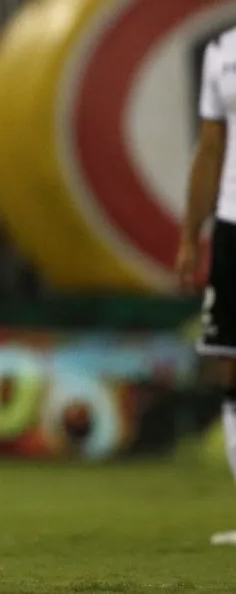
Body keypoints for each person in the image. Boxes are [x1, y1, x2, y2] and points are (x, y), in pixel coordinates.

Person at [177, 29, 236, 546]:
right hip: (233, 225)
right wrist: (191, 235)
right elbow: (211, 146)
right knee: (227, 361)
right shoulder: (222, 53)